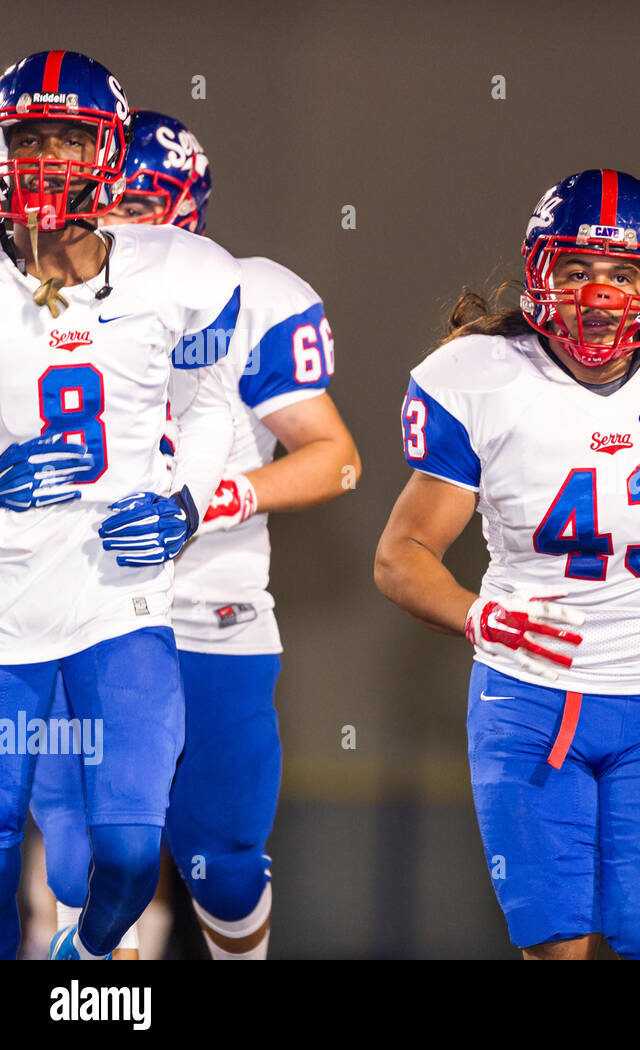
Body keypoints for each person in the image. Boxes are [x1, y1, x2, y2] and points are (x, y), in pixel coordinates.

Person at [374, 169, 640, 959]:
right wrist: (480, 615)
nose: (598, 294)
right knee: (557, 947)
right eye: (575, 270)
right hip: (529, 696)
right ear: (538, 274)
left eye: (622, 272)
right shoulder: (482, 380)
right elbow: (400, 556)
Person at [28, 109, 361, 960]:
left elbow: (335, 459)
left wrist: (207, 504)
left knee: (222, 861)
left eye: (140, 201)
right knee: (85, 864)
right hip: (83, 607)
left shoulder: (238, 296)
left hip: (210, 610)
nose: (120, 221)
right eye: (112, 199)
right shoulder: (35, 289)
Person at [0, 51, 239, 960]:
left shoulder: (182, 272)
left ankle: (89, 958)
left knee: (134, 851)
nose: (44, 159)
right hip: (11, 591)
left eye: (66, 137)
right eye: (27, 137)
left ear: (110, 153)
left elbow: (215, 403)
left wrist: (187, 504)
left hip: (126, 594)